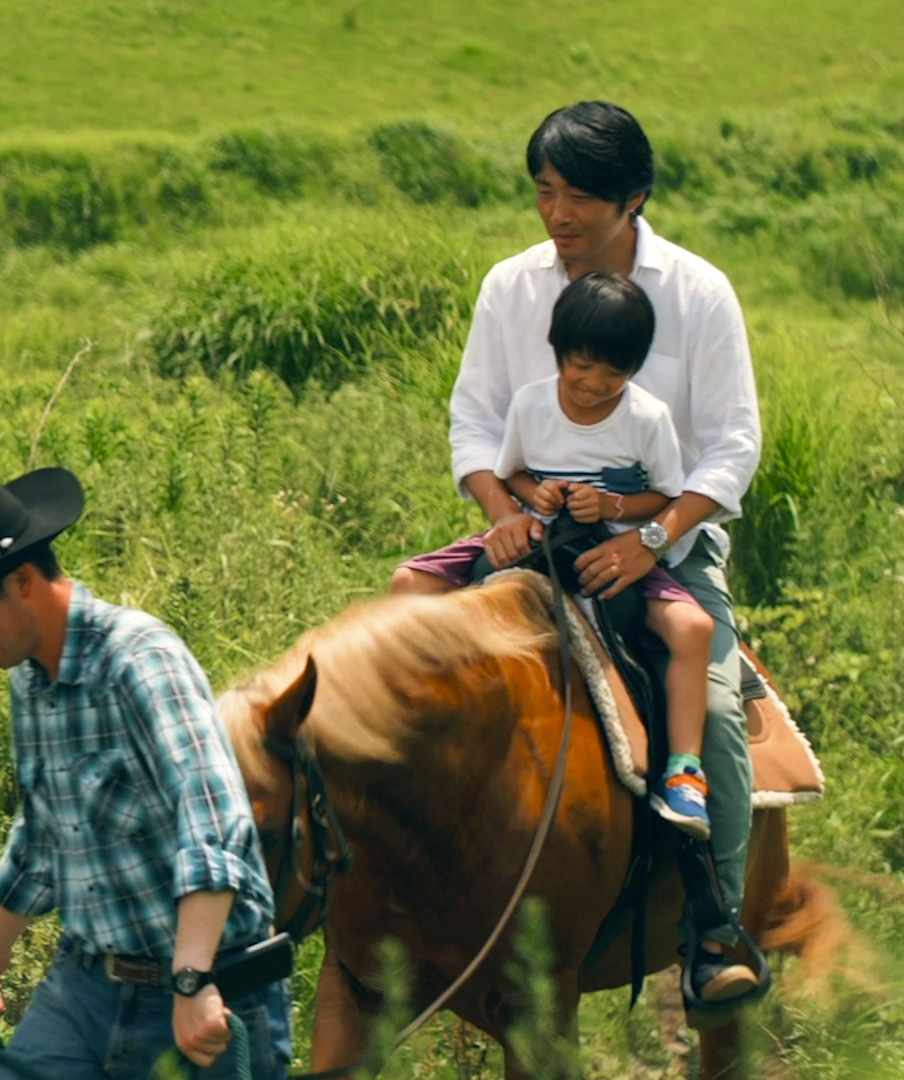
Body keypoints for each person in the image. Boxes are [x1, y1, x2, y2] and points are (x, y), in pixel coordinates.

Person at [391, 101, 762, 1003]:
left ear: (634, 199)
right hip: (528, 532)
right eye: (544, 193)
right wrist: (497, 511)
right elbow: (474, 420)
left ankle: (717, 926)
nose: (558, 216)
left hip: (658, 542)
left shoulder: (699, 293)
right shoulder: (509, 286)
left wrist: (651, 539)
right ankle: (385, 877)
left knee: (709, 711)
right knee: (394, 644)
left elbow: (731, 446)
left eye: (580, 199)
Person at [0, 466, 290, 1080]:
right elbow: (43, 828)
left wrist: (192, 978)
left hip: (206, 987)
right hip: (87, 987)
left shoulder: (141, 660)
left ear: (20, 581)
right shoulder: (27, 679)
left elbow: (213, 820)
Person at [401, 273, 723, 843]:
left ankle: (684, 771)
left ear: (634, 370)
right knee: (408, 584)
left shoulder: (647, 419)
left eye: (613, 373)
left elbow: (667, 496)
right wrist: (532, 497)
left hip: (611, 545)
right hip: (538, 535)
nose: (595, 384)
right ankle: (404, 723)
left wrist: (612, 505)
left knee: (693, 628)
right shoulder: (531, 404)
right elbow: (514, 472)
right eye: (582, 365)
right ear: (558, 352)